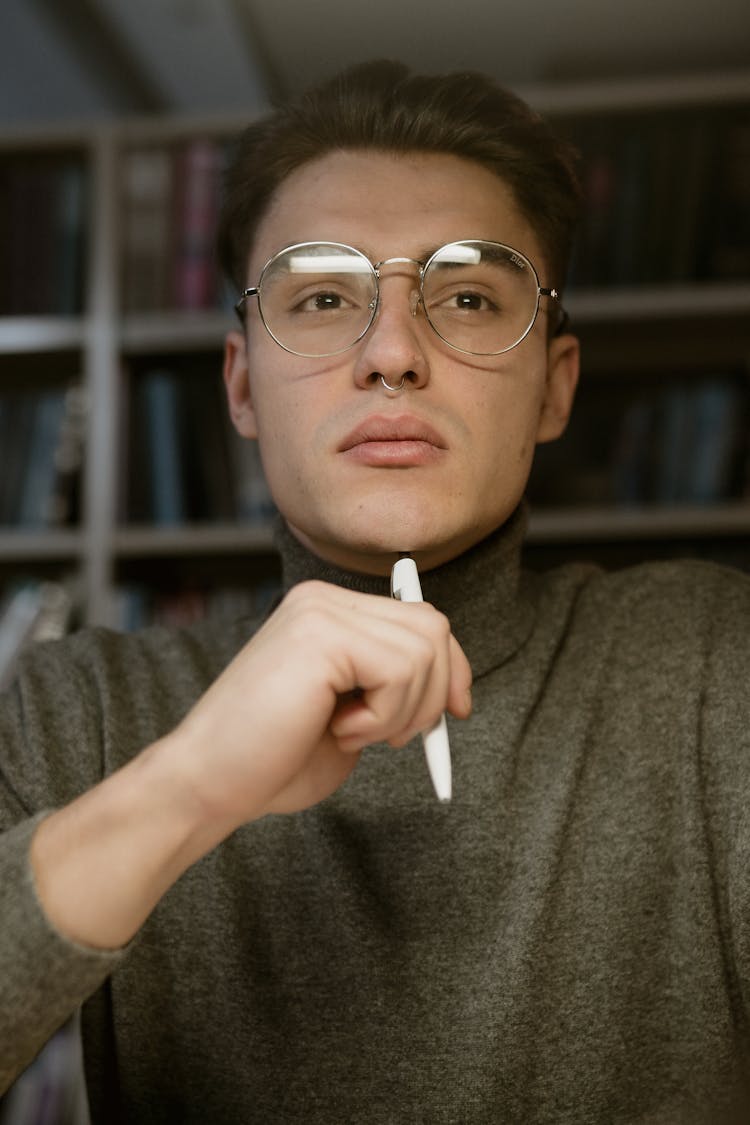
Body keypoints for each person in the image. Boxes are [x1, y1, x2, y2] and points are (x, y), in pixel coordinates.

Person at [2, 58, 750, 1124]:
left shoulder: (716, 670)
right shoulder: (75, 714)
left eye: (466, 296)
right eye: (320, 296)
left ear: (556, 386)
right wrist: (186, 787)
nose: (394, 353)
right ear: (242, 385)